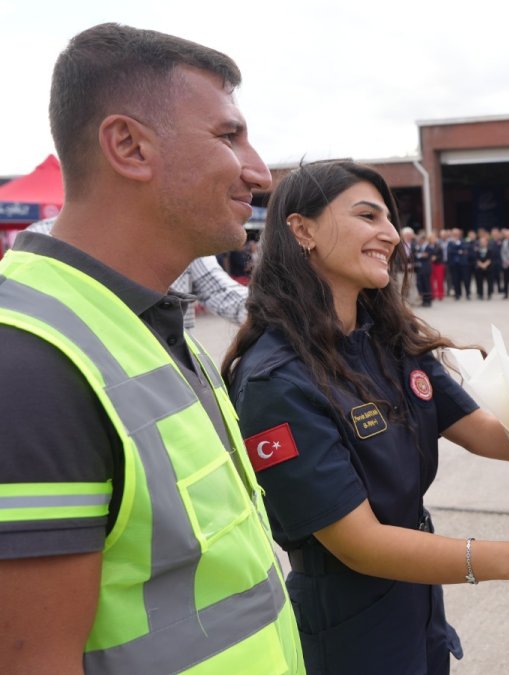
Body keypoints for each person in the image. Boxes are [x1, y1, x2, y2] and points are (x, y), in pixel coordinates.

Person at [0, 23, 302, 672]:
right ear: (129, 146)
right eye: (228, 136)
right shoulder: (29, 365)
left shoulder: (143, 320)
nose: (258, 169)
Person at [221, 161, 509, 674]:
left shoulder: (385, 340)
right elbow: (359, 543)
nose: (391, 234)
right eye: (367, 216)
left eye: (389, 220)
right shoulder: (277, 381)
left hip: (417, 590)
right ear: (301, 229)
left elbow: (486, 433)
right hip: (349, 617)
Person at [26, 216, 249, 328]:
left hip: (171, 384)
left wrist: (280, 311)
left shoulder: (180, 235)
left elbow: (226, 295)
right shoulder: (44, 241)